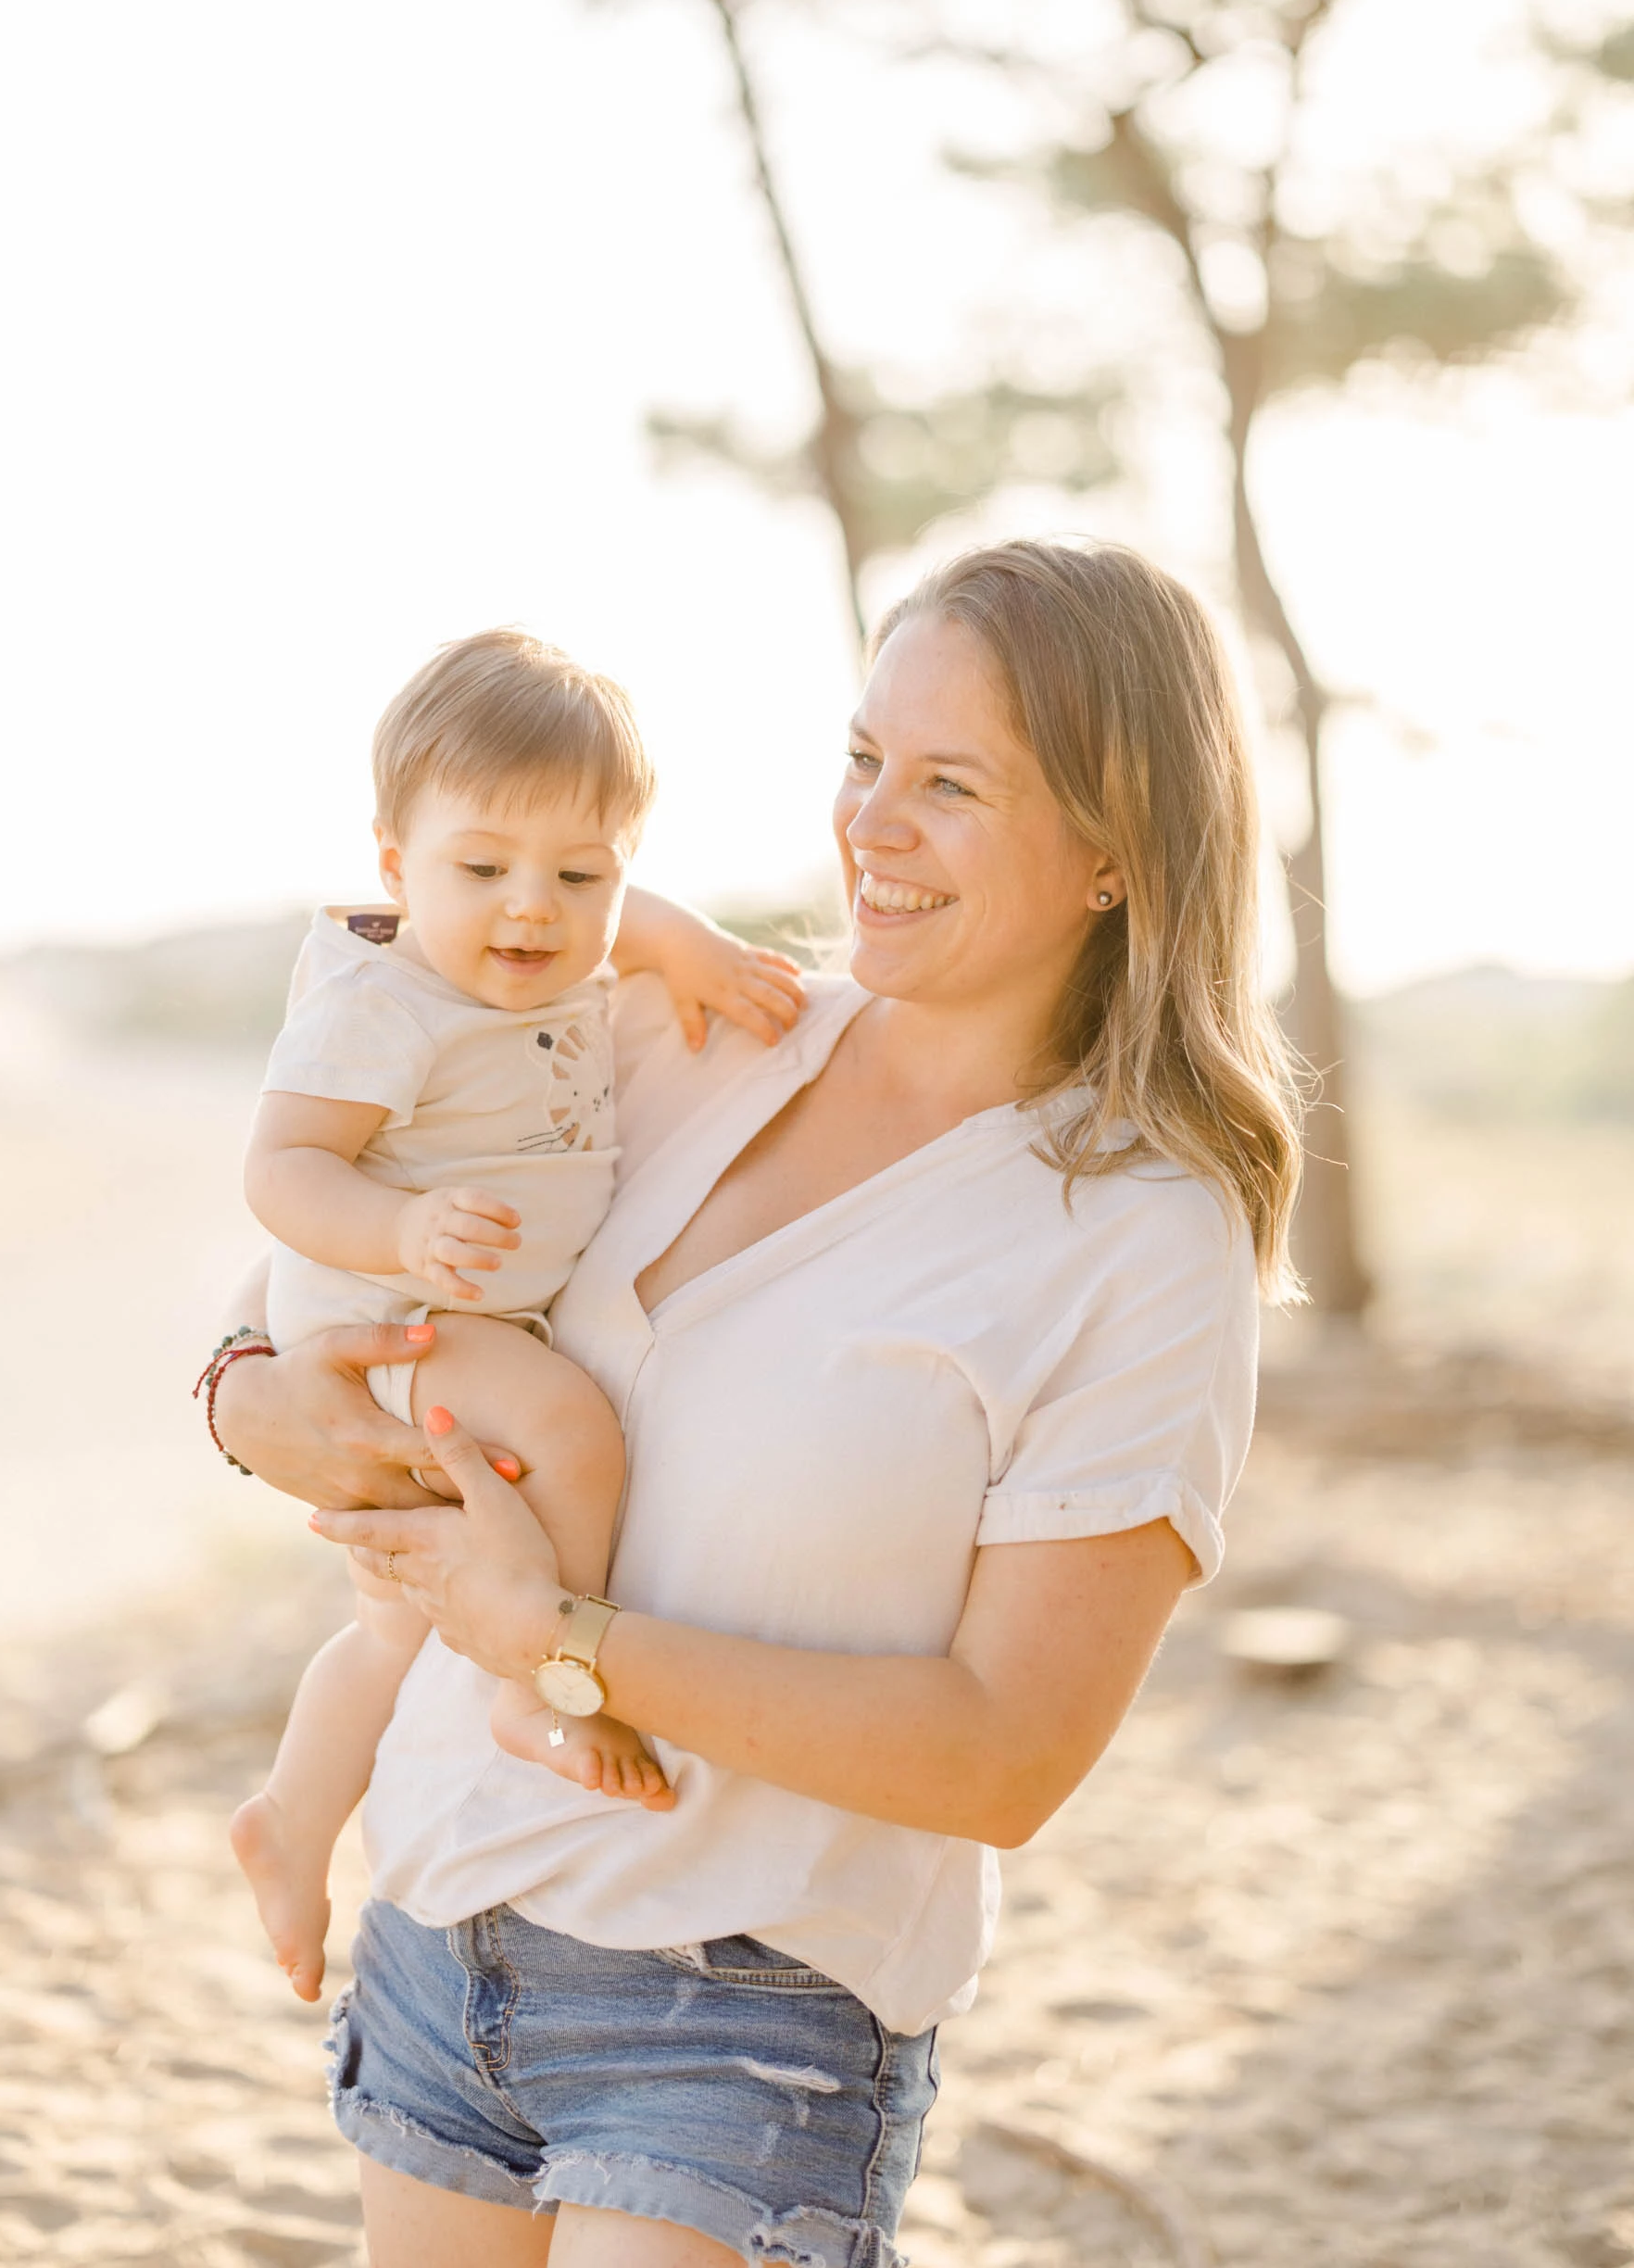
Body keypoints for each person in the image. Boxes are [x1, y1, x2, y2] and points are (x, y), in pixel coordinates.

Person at [211, 540, 1303, 2268]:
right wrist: (243, 1403)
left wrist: (561, 1646)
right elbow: (317, 1278)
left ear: (1116, 848)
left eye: (950, 785)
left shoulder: (1140, 1237)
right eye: (865, 758)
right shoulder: (687, 1025)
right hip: (441, 1923)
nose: (872, 822)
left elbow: (1009, 1754)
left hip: (751, 2013)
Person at [230, 629, 805, 2004]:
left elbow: (638, 919)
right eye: (481, 869)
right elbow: (281, 1170)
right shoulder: (385, 1008)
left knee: (384, 1624)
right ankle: (538, 1680)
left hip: (457, 1330)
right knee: (572, 1430)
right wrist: (399, 1228)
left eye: (579, 874)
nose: (532, 911)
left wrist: (706, 956)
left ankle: (291, 1822)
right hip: (391, 1319)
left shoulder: (573, 951)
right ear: (395, 868)